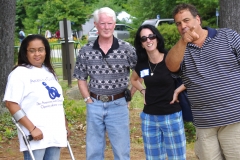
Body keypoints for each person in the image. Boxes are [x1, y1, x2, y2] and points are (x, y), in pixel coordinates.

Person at [165, 3, 240, 160]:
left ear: (197, 19)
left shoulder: (227, 36)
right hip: (204, 123)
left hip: (234, 119)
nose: (183, 26)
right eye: (178, 23)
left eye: (186, 20)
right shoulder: (180, 50)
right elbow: (171, 66)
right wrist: (183, 42)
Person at [73, 7, 137, 160]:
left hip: (118, 104)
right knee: (93, 151)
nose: (106, 27)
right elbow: (81, 78)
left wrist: (129, 96)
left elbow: (138, 74)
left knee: (122, 152)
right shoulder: (86, 50)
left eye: (110, 23)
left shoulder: (127, 49)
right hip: (94, 103)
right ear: (96, 24)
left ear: (114, 24)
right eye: (103, 23)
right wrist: (87, 100)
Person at [3, 34, 70, 160]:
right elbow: (11, 104)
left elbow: (56, 101)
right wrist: (32, 129)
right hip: (36, 135)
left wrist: (64, 124)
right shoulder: (19, 74)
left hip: (55, 133)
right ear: (25, 53)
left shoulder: (49, 71)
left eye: (40, 50)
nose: (37, 54)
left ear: (46, 51)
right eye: (32, 51)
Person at [130, 24, 186, 160]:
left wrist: (178, 90)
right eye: (144, 39)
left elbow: (190, 76)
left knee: (177, 157)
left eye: (151, 36)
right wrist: (143, 91)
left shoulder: (170, 58)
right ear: (141, 44)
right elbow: (134, 80)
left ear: (157, 38)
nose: (148, 40)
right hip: (149, 118)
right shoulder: (142, 63)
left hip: (171, 115)